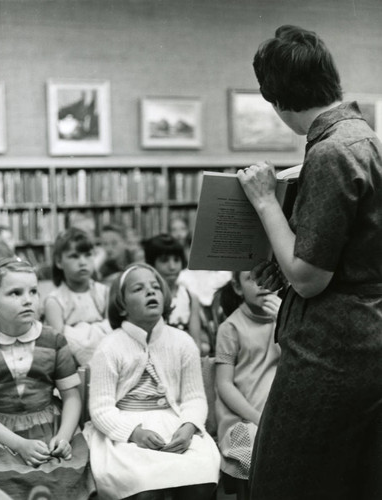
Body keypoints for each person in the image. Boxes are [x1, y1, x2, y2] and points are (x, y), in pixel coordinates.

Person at [236, 25, 382, 500]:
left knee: (281, 480)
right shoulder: (366, 138)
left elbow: (309, 278)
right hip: (366, 342)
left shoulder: (332, 151)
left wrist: (265, 202)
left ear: (278, 99)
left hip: (330, 352)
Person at [83, 263, 221, 500]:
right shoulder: (109, 347)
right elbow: (100, 409)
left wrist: (188, 427)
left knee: (201, 479)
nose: (150, 292)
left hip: (175, 423)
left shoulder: (182, 342)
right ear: (122, 306)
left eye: (155, 287)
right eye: (138, 288)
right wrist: (134, 433)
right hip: (125, 433)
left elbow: (194, 398)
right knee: (144, 489)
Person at [0, 257, 95, 500]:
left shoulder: (53, 340)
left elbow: (72, 397)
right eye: (15, 293)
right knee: (2, 481)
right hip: (1, 434)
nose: (28, 299)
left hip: (51, 427)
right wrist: (20, 444)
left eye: (33, 291)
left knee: (65, 476)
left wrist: (64, 436)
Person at [214, 264, 282, 497]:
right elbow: (224, 384)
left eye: (269, 278)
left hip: (280, 411)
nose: (262, 285)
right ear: (237, 286)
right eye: (251, 279)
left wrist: (286, 322)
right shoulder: (230, 327)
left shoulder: (283, 318)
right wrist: (258, 418)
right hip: (245, 415)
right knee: (252, 446)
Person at [44, 227, 110, 366]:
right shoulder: (55, 301)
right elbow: (60, 349)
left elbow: (113, 334)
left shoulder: (104, 293)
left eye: (88, 255)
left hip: (106, 361)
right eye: (74, 256)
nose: (82, 262)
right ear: (59, 262)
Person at [143, 234, 202, 351]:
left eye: (176, 260)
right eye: (164, 261)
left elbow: (196, 342)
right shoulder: (147, 297)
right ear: (151, 264)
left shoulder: (190, 298)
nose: (172, 267)